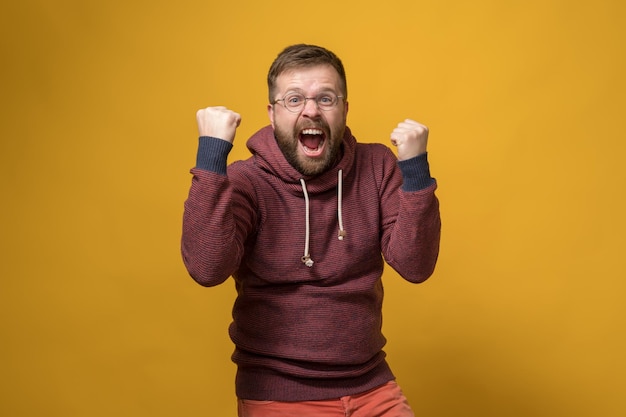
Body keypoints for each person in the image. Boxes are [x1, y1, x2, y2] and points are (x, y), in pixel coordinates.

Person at [181, 44, 441, 417]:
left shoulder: (378, 166)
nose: (311, 109)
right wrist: (211, 155)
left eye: (326, 98)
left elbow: (415, 266)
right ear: (271, 114)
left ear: (345, 109)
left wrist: (415, 170)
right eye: (293, 99)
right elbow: (206, 269)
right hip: (280, 395)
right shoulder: (246, 181)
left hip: (371, 385)